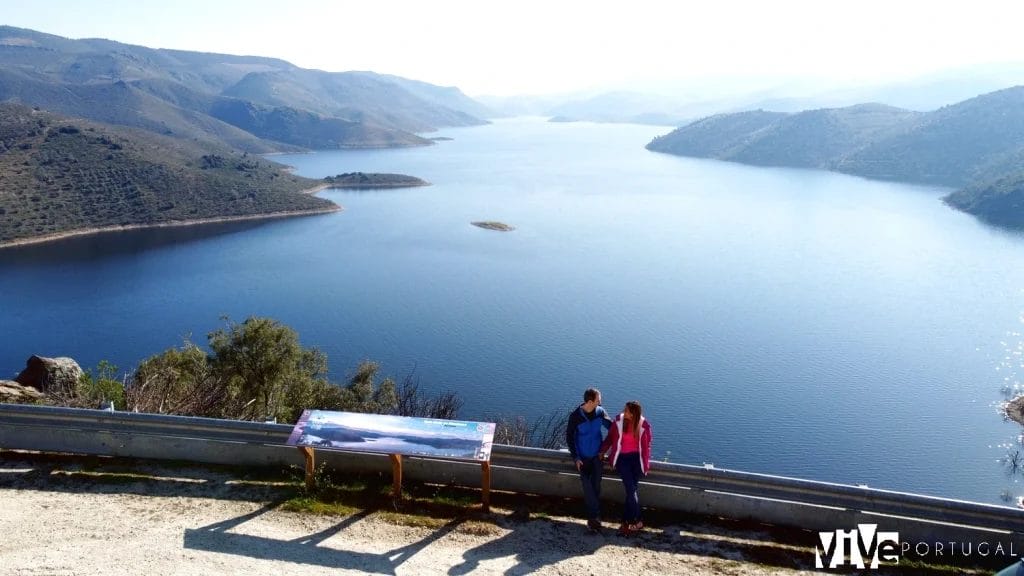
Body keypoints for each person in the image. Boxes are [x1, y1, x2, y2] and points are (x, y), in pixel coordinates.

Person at [600, 400, 652, 536]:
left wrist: (645, 463)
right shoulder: (618, 422)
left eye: (628, 410)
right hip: (622, 460)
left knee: (631, 490)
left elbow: (647, 444)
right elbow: (610, 438)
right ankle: (638, 520)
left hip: (637, 460)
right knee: (630, 489)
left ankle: (626, 521)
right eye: (625, 409)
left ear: (634, 413)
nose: (624, 412)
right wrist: (602, 451)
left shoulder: (643, 425)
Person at [565, 387, 612, 532]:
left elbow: (612, 429)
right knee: (588, 487)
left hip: (597, 456)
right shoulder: (575, 416)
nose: (601, 402)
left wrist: (605, 449)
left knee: (596, 487)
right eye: (599, 400)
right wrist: (576, 457)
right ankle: (595, 518)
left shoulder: (600, 412)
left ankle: (594, 519)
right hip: (583, 459)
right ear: (590, 401)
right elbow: (569, 438)